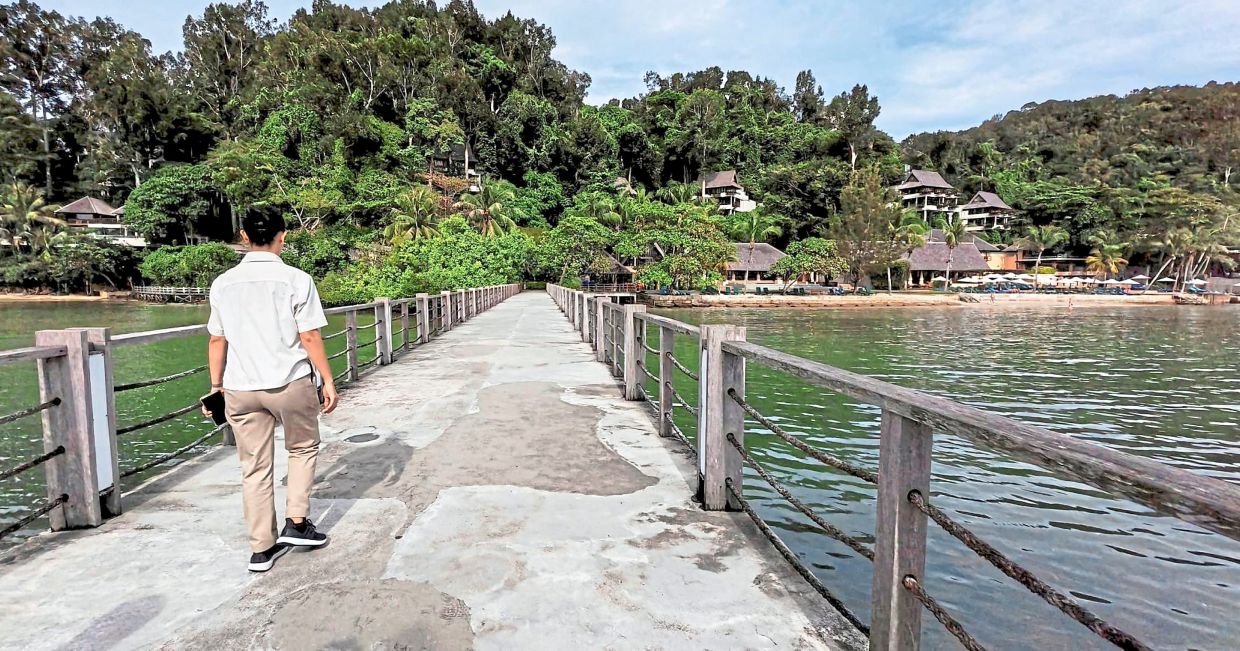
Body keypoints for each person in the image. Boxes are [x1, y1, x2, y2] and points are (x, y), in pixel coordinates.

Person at [203, 205, 339, 572]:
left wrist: (216, 387)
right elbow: (308, 335)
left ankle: (261, 549)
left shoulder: (223, 284)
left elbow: (218, 341)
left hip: (240, 387)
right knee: (302, 447)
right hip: (289, 382)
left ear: (244, 237)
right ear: (283, 235)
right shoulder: (296, 280)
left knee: (255, 467)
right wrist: (327, 379)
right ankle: (297, 523)